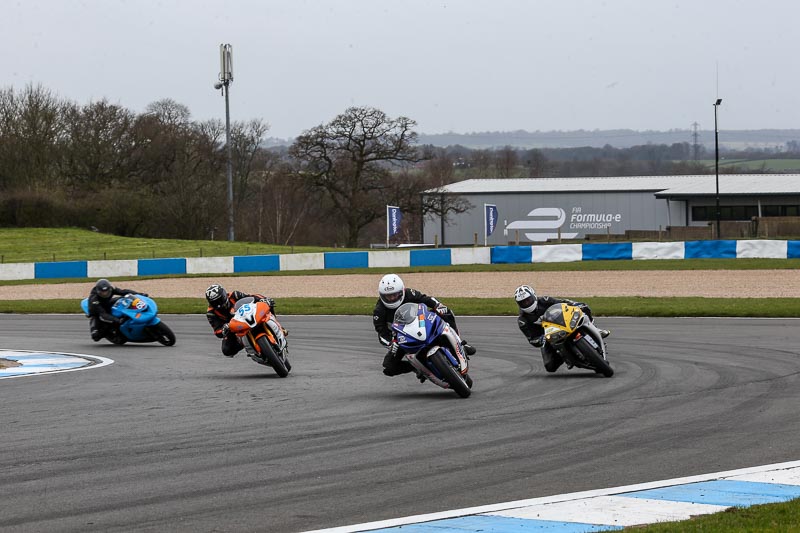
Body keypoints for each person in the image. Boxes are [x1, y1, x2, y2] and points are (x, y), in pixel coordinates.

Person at [373, 273, 476, 378]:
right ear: (382, 295)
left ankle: (459, 343)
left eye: (394, 294)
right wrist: (391, 344)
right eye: (388, 296)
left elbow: (426, 299)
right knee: (389, 367)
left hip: (421, 324)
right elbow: (381, 333)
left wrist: (438, 305)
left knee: (446, 313)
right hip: (402, 338)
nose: (392, 298)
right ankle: (417, 368)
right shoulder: (379, 311)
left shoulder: (410, 293)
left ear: (402, 291)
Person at [514, 284, 610, 373]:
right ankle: (564, 357)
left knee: (584, 308)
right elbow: (531, 339)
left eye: (528, 300)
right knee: (550, 367)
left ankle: (596, 329)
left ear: (534, 296)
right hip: (548, 337)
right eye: (523, 302)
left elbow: (562, 303)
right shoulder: (523, 320)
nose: (526, 303)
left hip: (561, 323)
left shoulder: (545, 300)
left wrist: (574, 304)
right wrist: (541, 339)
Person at [205, 284, 284, 357]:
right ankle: (245, 345)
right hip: (233, 328)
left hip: (248, 315)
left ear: (224, 295)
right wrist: (224, 329)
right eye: (214, 302)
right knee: (226, 350)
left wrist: (263, 299)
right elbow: (217, 331)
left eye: (220, 300)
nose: (218, 304)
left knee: (268, 304)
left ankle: (278, 325)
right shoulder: (211, 313)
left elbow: (252, 297)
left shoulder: (234, 295)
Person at [87, 278, 147, 342]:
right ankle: (106, 332)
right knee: (96, 336)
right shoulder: (94, 299)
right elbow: (103, 314)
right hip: (98, 311)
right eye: (102, 292)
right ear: (98, 291)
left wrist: (139, 294)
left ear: (109, 289)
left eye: (107, 292)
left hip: (108, 303)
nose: (105, 294)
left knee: (124, 299)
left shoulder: (111, 288)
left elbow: (123, 292)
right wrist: (118, 320)